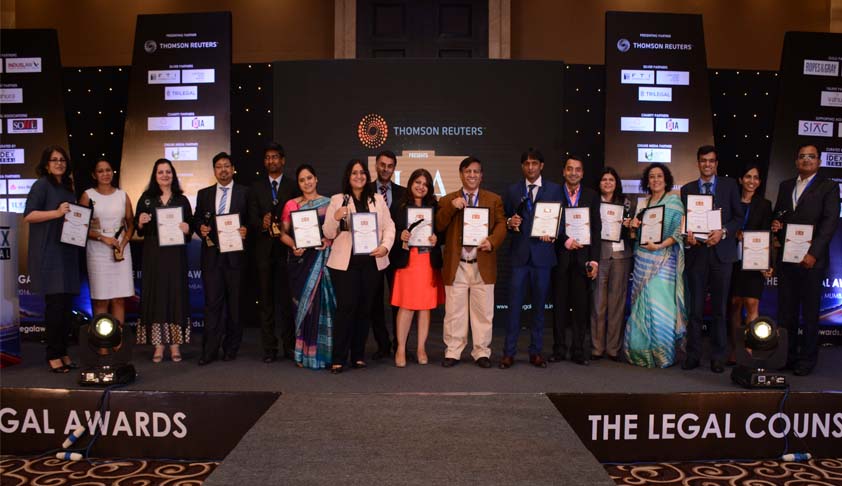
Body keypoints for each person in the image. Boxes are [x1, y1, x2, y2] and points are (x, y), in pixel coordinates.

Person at [771, 144, 839, 376]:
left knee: (810, 313)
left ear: (818, 161)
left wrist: (814, 254)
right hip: (787, 258)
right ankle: (786, 356)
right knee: (786, 312)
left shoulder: (829, 186)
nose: (806, 160)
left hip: (812, 260)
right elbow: (779, 214)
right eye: (802, 156)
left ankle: (807, 360)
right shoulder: (785, 186)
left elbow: (830, 223)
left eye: (811, 156)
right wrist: (776, 224)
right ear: (796, 161)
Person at [323, 159, 395, 373]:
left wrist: (385, 246)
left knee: (364, 310)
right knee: (346, 309)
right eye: (354, 173)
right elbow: (328, 233)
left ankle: (358, 355)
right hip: (345, 265)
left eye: (362, 172)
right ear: (348, 176)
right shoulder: (338, 200)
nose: (359, 176)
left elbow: (389, 226)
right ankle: (338, 357)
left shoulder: (377, 200)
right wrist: (336, 217)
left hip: (372, 262)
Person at [435, 156, 506, 368]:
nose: (472, 175)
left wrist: (492, 241)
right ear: (461, 174)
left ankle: (481, 352)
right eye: (468, 171)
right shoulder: (447, 199)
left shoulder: (493, 199)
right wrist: (452, 207)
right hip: (456, 264)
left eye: (476, 171)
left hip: (482, 262)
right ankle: (453, 351)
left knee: (483, 311)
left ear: (481, 175)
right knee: (454, 311)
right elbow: (438, 225)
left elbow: (502, 224)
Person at [680, 145, 744, 373]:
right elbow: (686, 221)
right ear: (698, 163)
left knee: (719, 309)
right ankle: (693, 355)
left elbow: (739, 217)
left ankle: (718, 356)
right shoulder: (687, 189)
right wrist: (689, 236)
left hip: (722, 254)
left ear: (716, 164)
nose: (707, 164)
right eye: (703, 160)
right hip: (697, 254)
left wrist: (723, 232)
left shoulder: (730, 185)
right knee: (695, 309)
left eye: (711, 161)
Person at [499, 149, 562, 369]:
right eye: (526, 163)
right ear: (522, 167)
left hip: (543, 256)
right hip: (519, 256)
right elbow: (504, 218)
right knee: (514, 307)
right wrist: (510, 223)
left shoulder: (554, 189)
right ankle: (509, 353)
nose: (531, 167)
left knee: (539, 309)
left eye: (534, 163)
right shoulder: (513, 190)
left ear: (541, 166)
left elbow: (561, 219)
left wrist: (553, 232)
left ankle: (536, 352)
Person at [23, 146, 81, 373]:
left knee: (66, 308)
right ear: (46, 165)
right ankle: (53, 354)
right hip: (49, 254)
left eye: (62, 160)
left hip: (67, 252)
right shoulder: (41, 185)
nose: (59, 163)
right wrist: (56, 213)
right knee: (55, 307)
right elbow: (29, 215)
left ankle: (63, 351)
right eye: (54, 160)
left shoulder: (67, 187)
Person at [625, 163, 686, 368]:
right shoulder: (643, 204)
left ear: (666, 180)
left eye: (659, 176)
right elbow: (636, 236)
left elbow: (678, 232)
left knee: (661, 306)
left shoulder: (674, 202)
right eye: (651, 176)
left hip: (664, 261)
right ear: (647, 181)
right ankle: (640, 352)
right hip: (643, 258)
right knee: (642, 305)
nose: (656, 180)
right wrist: (633, 228)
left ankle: (662, 354)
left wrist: (659, 245)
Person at [192, 152, 249, 366]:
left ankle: (231, 348)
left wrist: (246, 229)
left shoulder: (245, 192)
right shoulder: (204, 194)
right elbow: (197, 218)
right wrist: (200, 227)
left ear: (233, 169)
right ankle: (209, 350)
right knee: (212, 305)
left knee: (235, 306)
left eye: (226, 165)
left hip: (236, 257)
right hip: (212, 257)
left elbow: (252, 219)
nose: (223, 169)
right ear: (214, 171)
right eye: (218, 166)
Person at [135, 158, 193, 362]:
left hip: (175, 254)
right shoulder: (146, 198)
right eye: (160, 172)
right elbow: (138, 229)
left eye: (168, 171)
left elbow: (190, 227)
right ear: (155, 175)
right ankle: (158, 346)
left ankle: (175, 346)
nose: (165, 175)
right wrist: (140, 223)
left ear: (173, 175)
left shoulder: (182, 200)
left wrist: (187, 228)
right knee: (157, 296)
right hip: (153, 254)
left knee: (175, 295)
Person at [279, 164, 335, 369]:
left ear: (316, 179)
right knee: (304, 307)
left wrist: (328, 241)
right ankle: (303, 354)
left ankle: (323, 355)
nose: (307, 182)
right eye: (302, 180)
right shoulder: (291, 205)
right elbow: (282, 233)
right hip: (300, 261)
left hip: (323, 261)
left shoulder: (329, 204)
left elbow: (336, 231)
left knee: (322, 306)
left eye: (309, 178)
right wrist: (293, 245)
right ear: (298, 183)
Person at [248, 142, 300, 363]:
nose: (271, 160)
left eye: (275, 157)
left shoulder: (293, 186)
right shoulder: (256, 187)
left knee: (287, 303)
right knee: (266, 303)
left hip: (287, 251)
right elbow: (250, 218)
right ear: (264, 162)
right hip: (263, 253)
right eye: (268, 157)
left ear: (283, 160)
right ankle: (269, 348)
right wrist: (262, 223)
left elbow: (299, 216)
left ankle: (289, 346)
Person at [390, 168, 444, 368]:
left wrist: (437, 238)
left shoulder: (435, 206)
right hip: (408, 261)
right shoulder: (399, 206)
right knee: (406, 305)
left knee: (425, 306)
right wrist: (400, 235)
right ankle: (401, 348)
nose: (421, 187)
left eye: (425, 184)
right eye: (417, 182)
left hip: (427, 261)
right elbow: (390, 230)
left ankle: (421, 348)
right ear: (411, 183)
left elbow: (442, 232)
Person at [551, 155, 600, 366]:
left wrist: (595, 260)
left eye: (577, 169)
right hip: (559, 258)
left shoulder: (591, 195)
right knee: (559, 306)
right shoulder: (553, 193)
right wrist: (565, 239)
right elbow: (549, 223)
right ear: (564, 171)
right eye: (569, 169)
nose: (573, 173)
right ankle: (559, 349)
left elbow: (596, 229)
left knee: (581, 307)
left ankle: (579, 350)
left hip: (583, 259)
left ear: (582, 173)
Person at [78, 158, 135, 334]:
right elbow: (79, 226)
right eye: (100, 171)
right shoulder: (88, 195)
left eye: (108, 170)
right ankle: (102, 342)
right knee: (100, 300)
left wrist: (123, 243)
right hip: (98, 251)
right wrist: (102, 237)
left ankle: (117, 341)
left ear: (113, 172)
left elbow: (130, 223)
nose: (105, 174)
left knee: (119, 299)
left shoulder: (122, 195)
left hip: (120, 251)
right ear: (94, 175)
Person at [727, 164, 773, 365]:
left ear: (759, 182)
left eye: (755, 177)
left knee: (752, 303)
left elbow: (768, 235)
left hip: (755, 260)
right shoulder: (731, 202)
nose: (751, 181)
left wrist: (768, 262)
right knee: (735, 304)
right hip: (732, 259)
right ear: (740, 180)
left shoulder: (764, 205)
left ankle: (749, 349)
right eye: (747, 176)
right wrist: (733, 234)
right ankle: (736, 348)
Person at [591, 166, 633, 362]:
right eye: (604, 179)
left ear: (616, 183)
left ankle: (613, 348)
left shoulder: (626, 203)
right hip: (599, 256)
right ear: (599, 183)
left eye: (611, 180)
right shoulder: (593, 202)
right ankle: (597, 347)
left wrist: (629, 227)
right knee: (598, 303)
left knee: (617, 304)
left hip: (621, 257)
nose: (607, 183)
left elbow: (633, 233)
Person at [369, 150, 406, 360]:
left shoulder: (404, 193)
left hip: (398, 255)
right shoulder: (365, 190)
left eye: (390, 166)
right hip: (373, 254)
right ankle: (382, 345)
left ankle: (400, 345)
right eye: (382, 164)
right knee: (375, 302)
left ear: (394, 168)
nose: (385, 169)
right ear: (376, 165)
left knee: (398, 302)